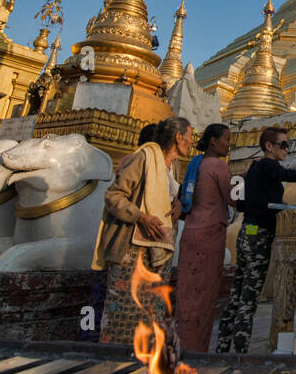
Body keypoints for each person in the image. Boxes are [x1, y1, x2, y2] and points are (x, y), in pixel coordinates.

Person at [216, 127, 296, 353]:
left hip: (248, 231)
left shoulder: (256, 168)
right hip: (258, 235)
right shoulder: (268, 165)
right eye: (283, 145)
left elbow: (245, 203)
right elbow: (288, 175)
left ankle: (222, 347)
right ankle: (239, 352)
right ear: (269, 146)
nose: (287, 149)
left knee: (237, 292)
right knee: (249, 296)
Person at [94, 117, 191, 344]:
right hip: (133, 250)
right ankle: (113, 361)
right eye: (189, 136)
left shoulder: (173, 165)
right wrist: (140, 216)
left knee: (152, 313)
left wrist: (177, 204)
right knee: (125, 313)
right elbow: (114, 196)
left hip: (159, 251)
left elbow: (166, 197)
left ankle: (144, 360)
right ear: (178, 137)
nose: (191, 142)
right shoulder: (143, 158)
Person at [176, 123, 233, 351]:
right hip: (210, 234)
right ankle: (196, 349)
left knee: (187, 293)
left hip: (191, 231)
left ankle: (181, 344)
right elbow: (232, 198)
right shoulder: (218, 166)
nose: (229, 145)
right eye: (227, 140)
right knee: (204, 294)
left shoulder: (195, 163)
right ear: (214, 141)